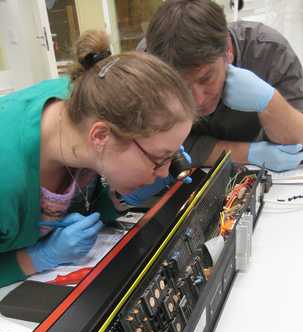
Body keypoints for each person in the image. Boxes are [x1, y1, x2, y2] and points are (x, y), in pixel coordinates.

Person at [0, 30, 195, 288]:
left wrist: (116, 199)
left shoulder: (89, 99)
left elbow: (86, 199)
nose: (163, 173)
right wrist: (34, 259)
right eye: (160, 159)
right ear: (101, 136)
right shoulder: (7, 175)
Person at [136, 0, 303, 174]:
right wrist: (247, 153)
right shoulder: (147, 66)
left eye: (206, 78)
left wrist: (270, 103)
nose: (197, 100)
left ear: (228, 49)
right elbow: (158, 148)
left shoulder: (267, 51)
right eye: (181, 87)